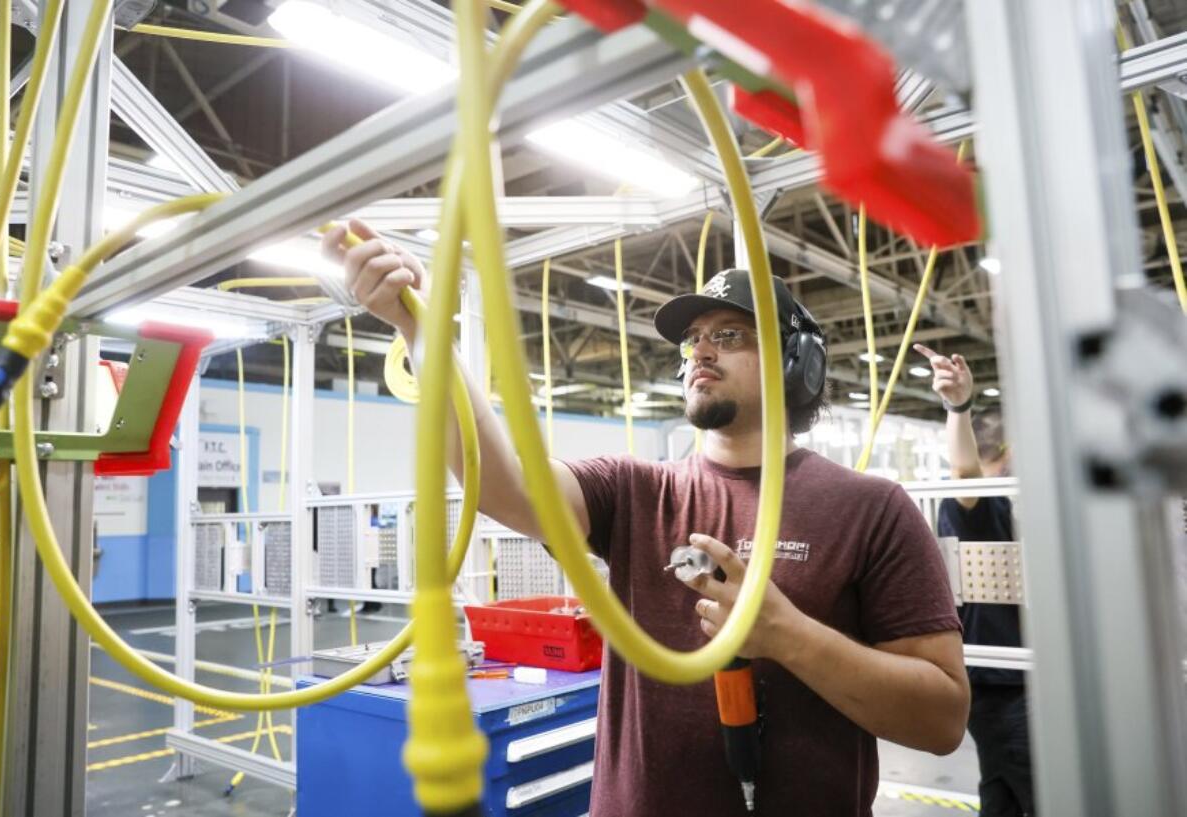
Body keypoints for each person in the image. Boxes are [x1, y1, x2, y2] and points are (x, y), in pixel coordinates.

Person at [323, 221, 969, 817]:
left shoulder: (872, 508)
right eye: (693, 339)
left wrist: (786, 634)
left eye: (730, 335)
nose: (700, 352)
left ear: (797, 364)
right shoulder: (636, 490)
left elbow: (942, 719)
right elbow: (502, 483)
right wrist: (424, 333)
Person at [914, 344, 1033, 817]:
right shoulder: (982, 505)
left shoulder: (1016, 507)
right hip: (1007, 689)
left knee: (1000, 793)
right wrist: (958, 408)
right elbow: (965, 474)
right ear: (1009, 452)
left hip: (998, 688)